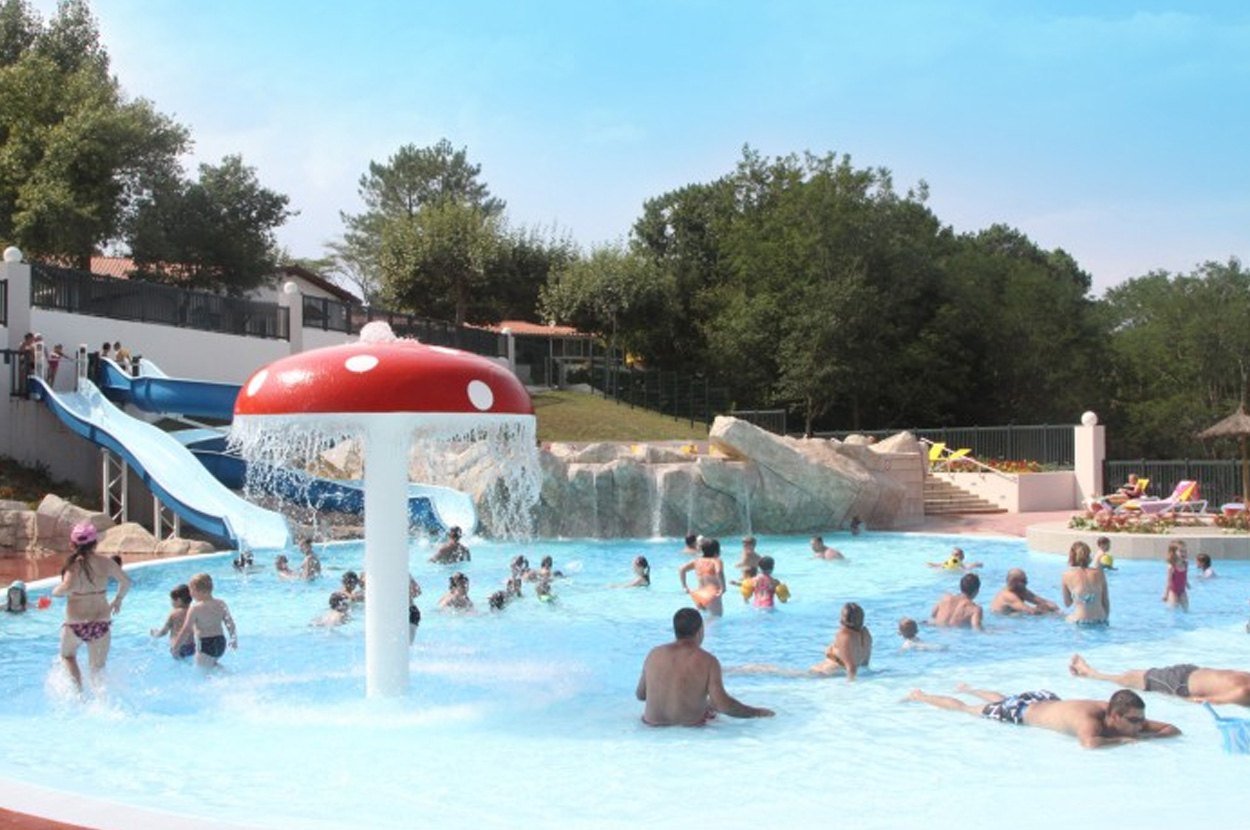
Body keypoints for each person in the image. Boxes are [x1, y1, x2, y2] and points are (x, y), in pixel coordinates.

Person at [906, 685, 1180, 749]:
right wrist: (1132, 740)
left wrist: (1147, 732)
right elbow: (1090, 744)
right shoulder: (1090, 721)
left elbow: (1172, 728)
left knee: (1005, 695)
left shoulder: (1123, 716)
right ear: (1115, 716)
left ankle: (970, 687)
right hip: (1021, 711)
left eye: (1140, 720)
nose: (1139, 725)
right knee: (965, 709)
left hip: (1045, 699)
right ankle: (920, 695)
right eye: (1133, 721)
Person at [635, 607, 774, 726]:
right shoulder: (708, 661)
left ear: (675, 630)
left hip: (651, 725)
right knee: (712, 710)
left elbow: (641, 695)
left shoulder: (654, 654)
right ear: (700, 631)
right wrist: (757, 712)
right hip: (692, 728)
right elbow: (722, 705)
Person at [52, 521, 131, 691]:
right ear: (95, 543)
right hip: (101, 623)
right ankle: (101, 703)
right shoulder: (106, 562)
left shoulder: (73, 565)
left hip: (75, 624)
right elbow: (125, 582)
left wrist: (55, 592)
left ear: (72, 544)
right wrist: (118, 600)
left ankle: (78, 693)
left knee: (68, 656)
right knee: (97, 670)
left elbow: (67, 587)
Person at [1070, 654, 1250, 706]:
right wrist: (1179, 699)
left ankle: (1091, 673)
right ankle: (1090, 673)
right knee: (1128, 679)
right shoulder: (1245, 692)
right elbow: (1201, 701)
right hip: (1180, 681)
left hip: (1190, 675)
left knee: (1132, 677)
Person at [172, 573, 237, 668]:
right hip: (221, 643)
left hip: (206, 644)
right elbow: (230, 624)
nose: (190, 593)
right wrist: (233, 639)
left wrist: (175, 647)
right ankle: (229, 676)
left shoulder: (195, 608)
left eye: (190, 590)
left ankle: (231, 681)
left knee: (201, 673)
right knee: (213, 664)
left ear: (195, 589)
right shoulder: (221, 603)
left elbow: (186, 630)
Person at [809, 603, 872, 680]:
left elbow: (851, 667)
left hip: (827, 672)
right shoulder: (866, 634)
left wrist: (851, 686)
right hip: (839, 672)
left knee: (793, 675)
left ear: (844, 618)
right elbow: (865, 663)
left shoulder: (844, 635)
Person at [1061, 541, 1109, 626]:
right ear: (1089, 556)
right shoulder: (1100, 573)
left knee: (1064, 617)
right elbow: (1105, 602)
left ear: (1072, 557)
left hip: (1081, 621)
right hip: (1101, 620)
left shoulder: (1066, 575)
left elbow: (1067, 603)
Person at [678, 536, 726, 617]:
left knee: (702, 619)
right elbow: (719, 572)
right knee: (716, 619)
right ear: (716, 552)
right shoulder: (716, 561)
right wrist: (723, 588)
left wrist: (684, 586)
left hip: (698, 594)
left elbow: (681, 569)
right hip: (712, 595)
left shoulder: (696, 561)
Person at [150, 584, 195, 659]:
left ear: (179, 600)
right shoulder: (194, 612)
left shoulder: (174, 613)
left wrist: (155, 634)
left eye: (172, 600)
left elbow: (164, 632)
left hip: (178, 649)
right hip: (192, 647)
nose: (171, 602)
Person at [989, 569, 1060, 615]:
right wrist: (1046, 610)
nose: (1027, 582)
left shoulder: (1021, 590)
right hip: (1003, 620)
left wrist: (1055, 608)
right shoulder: (1008, 596)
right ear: (1014, 582)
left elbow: (1041, 601)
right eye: (1023, 581)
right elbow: (1029, 611)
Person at [1162, 540, 1189, 611]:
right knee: (1174, 610)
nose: (1183, 553)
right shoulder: (1171, 566)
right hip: (1173, 591)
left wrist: (1187, 583)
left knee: (1186, 609)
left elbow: (1185, 575)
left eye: (1185, 551)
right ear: (1174, 552)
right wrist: (1166, 594)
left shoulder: (1185, 564)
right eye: (1181, 551)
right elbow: (1168, 582)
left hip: (1182, 591)